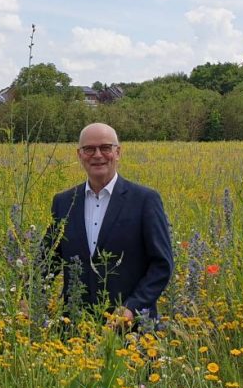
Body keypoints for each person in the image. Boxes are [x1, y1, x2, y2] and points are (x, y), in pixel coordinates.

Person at [45, 122, 173, 328]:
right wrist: (28, 296)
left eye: (105, 148)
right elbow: (48, 258)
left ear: (118, 152)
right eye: (89, 149)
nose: (97, 155)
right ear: (79, 154)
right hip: (75, 330)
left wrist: (132, 307)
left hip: (132, 331)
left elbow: (162, 265)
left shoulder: (144, 200)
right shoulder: (63, 202)